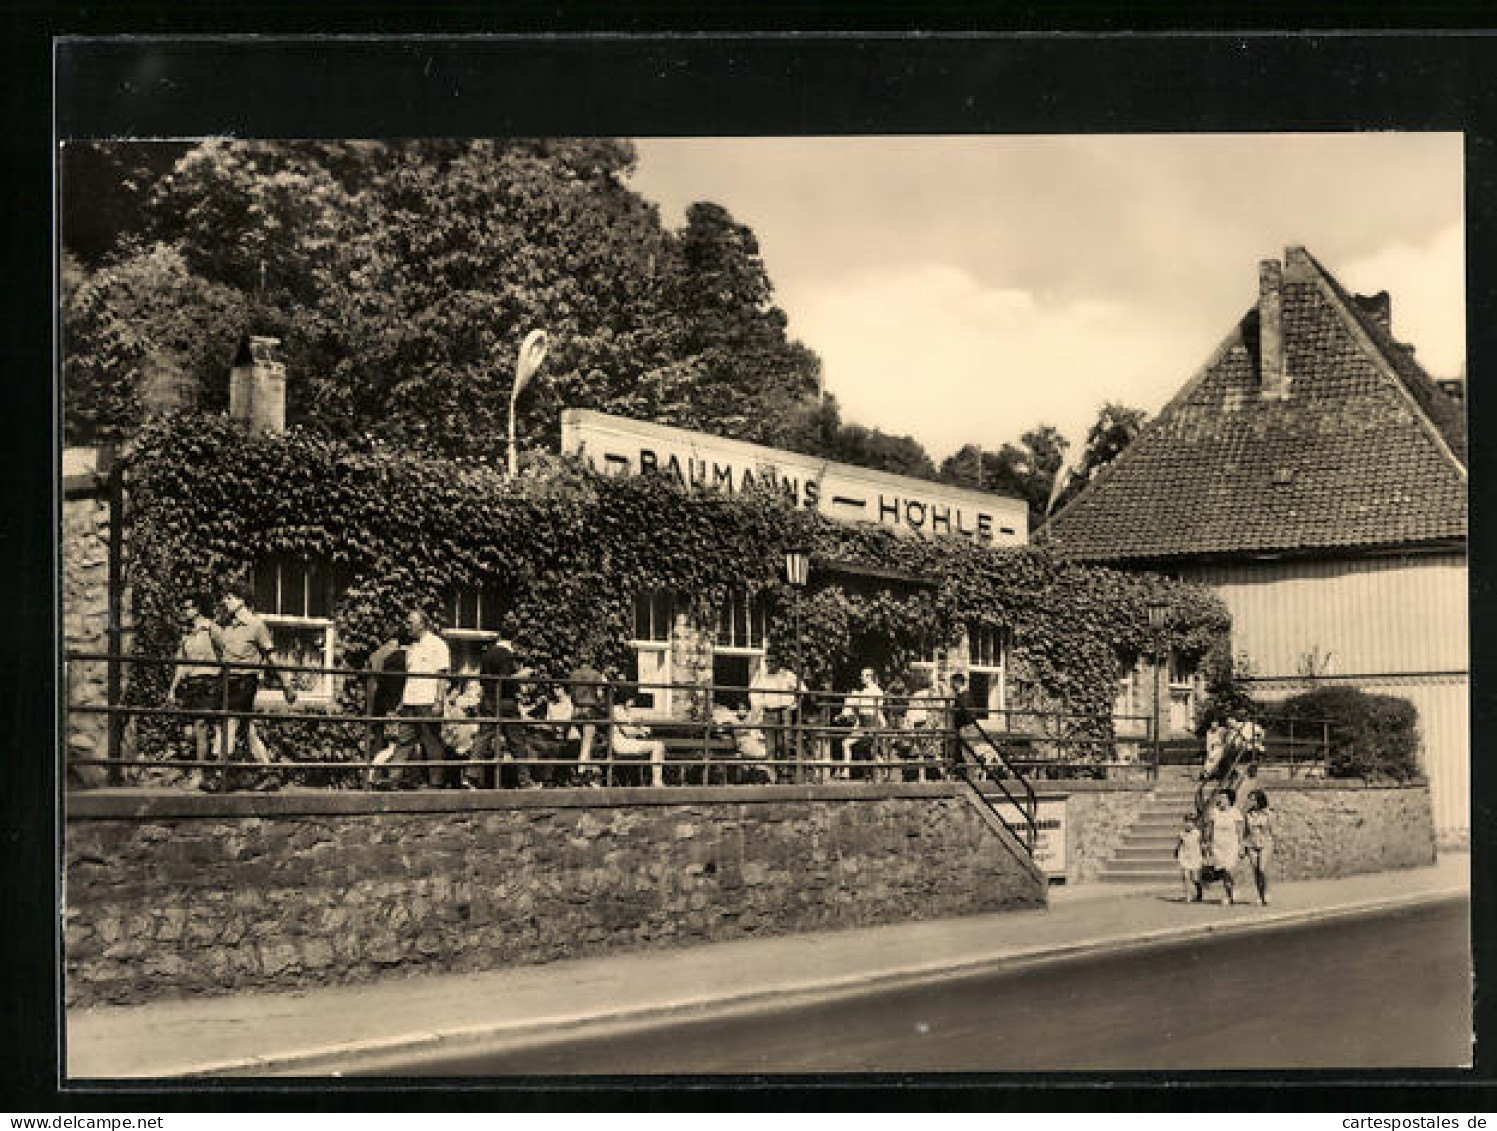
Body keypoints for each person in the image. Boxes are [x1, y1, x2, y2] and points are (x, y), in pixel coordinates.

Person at [212, 580, 295, 792]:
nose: (225, 601)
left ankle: (220, 774)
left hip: (245, 681)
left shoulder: (256, 625)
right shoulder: (227, 626)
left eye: (230, 597)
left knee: (228, 722)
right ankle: (268, 771)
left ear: (242, 600)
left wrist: (286, 684)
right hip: (227, 680)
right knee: (247, 729)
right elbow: (222, 653)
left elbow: (271, 656)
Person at [384, 609, 451, 789]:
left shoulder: (438, 645)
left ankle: (436, 782)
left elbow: (442, 675)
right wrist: (401, 702)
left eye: (410, 623)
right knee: (403, 741)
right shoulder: (412, 648)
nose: (407, 627)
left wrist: (439, 701)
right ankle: (393, 779)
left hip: (428, 701)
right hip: (410, 702)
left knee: (432, 742)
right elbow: (410, 677)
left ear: (422, 624)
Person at [165, 592, 224, 787]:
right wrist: (173, 689)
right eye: (184, 607)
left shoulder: (211, 629)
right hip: (192, 684)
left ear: (197, 608)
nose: (185, 611)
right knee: (189, 730)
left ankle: (201, 773)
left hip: (209, 682)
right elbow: (182, 664)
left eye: (188, 607)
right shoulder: (187, 634)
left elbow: (227, 654)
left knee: (201, 726)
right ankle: (201, 768)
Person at [749, 658, 803, 782]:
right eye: (767, 661)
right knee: (770, 746)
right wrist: (760, 706)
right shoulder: (761, 676)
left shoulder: (787, 675)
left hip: (784, 712)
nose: (769, 664)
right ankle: (771, 776)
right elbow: (753, 694)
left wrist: (794, 704)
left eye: (772, 661)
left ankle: (784, 772)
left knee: (784, 743)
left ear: (778, 662)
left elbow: (802, 690)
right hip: (769, 712)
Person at [364, 629, 408, 781]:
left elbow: (372, 682)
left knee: (379, 740)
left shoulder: (375, 654)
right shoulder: (398, 656)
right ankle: (379, 774)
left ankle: (376, 776)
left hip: (377, 702)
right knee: (395, 743)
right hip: (393, 703)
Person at [609, 684, 666, 788]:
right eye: (632, 699)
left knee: (658, 745)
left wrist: (641, 728)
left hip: (628, 741)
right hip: (622, 743)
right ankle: (656, 781)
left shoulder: (624, 710)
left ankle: (656, 780)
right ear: (625, 698)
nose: (633, 702)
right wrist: (641, 731)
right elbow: (628, 731)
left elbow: (631, 726)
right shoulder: (617, 710)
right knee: (657, 746)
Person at [1204, 788, 1245, 906]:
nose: (1220, 800)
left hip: (1232, 845)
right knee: (1224, 872)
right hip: (1218, 845)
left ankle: (1234, 889)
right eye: (1220, 797)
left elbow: (1239, 830)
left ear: (1229, 800)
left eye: (1223, 798)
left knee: (1229, 869)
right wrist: (1207, 843)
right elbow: (1209, 829)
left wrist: (1241, 845)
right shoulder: (1214, 812)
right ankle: (1228, 895)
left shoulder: (1235, 812)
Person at [569, 658, 606, 785]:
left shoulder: (573, 674)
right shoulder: (595, 674)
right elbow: (600, 694)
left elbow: (572, 694)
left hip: (576, 710)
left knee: (586, 743)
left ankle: (587, 775)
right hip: (589, 710)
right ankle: (580, 772)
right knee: (587, 743)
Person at [1243, 789, 1275, 906]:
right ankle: (1260, 895)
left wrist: (1275, 844)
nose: (1250, 802)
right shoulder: (1248, 814)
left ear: (1259, 800)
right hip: (1251, 843)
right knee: (1256, 871)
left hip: (1265, 843)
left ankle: (1267, 892)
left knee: (1262, 868)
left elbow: (1273, 830)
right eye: (1249, 799)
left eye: (1252, 799)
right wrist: (1243, 846)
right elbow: (1245, 831)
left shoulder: (1268, 813)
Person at [1175, 814, 1205, 903]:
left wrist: (1204, 855)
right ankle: (1188, 895)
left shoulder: (1197, 833)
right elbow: (1179, 844)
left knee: (1195, 878)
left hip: (1195, 856)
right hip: (1184, 855)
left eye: (1190, 822)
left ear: (1194, 824)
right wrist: (1176, 851)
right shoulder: (1181, 833)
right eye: (1186, 822)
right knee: (1185, 876)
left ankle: (1199, 891)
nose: (1188, 824)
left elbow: (1201, 844)